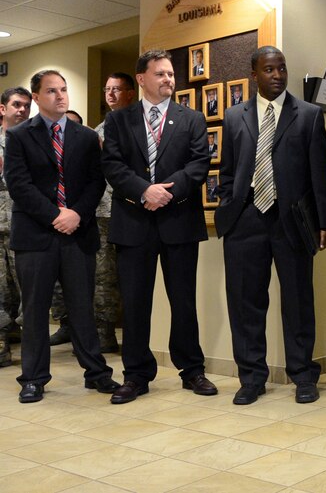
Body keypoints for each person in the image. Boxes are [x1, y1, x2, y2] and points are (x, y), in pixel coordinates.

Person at [215, 46, 326, 405]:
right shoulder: (234, 116)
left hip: (292, 222)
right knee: (245, 302)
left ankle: (303, 375)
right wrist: (227, 205)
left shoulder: (309, 115)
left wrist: (325, 222)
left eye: (282, 68)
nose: (278, 75)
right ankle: (251, 377)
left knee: (299, 300)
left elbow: (321, 175)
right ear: (254, 75)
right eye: (269, 69)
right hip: (245, 220)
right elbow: (226, 170)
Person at [101, 50, 216, 404]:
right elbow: (113, 165)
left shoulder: (192, 118)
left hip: (179, 219)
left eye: (170, 74)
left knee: (183, 300)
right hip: (134, 221)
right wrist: (144, 190)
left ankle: (192, 369)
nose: (168, 79)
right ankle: (136, 375)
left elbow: (199, 163)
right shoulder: (119, 121)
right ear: (141, 78)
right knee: (135, 303)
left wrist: (166, 193)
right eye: (161, 74)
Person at [4, 70, 119, 403]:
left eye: (64, 90)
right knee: (36, 309)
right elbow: (19, 185)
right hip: (36, 235)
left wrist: (76, 214)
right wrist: (56, 215)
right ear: (37, 98)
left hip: (77, 234)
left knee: (83, 307)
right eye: (51, 91)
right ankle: (34, 378)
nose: (60, 95)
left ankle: (96, 373)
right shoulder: (20, 136)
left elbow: (96, 182)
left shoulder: (85, 137)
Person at [51, 74, 136, 352]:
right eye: (107, 89)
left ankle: (116, 332)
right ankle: (102, 332)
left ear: (131, 93)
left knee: (124, 276)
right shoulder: (96, 131)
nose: (111, 95)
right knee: (101, 275)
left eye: (117, 90)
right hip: (98, 212)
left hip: (130, 210)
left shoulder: (137, 124)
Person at [0, 87, 31, 367]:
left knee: (29, 290)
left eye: (26, 106)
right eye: (16, 105)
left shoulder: (35, 140)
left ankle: (31, 348)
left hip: (26, 227)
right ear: (3, 109)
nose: (21, 110)